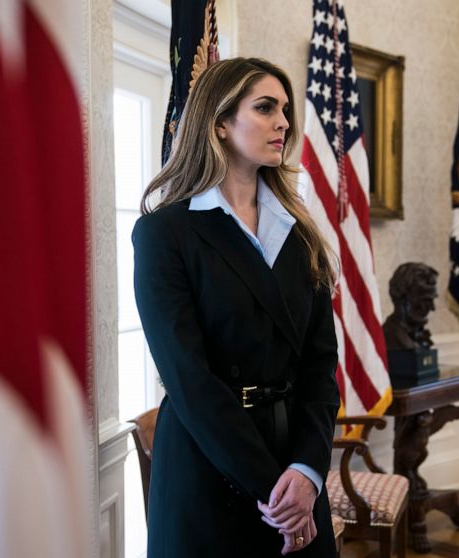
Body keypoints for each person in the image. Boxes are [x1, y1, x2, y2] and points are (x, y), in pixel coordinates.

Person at [132, 57, 341, 557]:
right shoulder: (166, 234)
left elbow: (319, 366)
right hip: (209, 471)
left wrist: (308, 473)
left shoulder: (299, 230)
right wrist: (275, 491)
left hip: (296, 470)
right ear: (220, 123)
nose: (284, 123)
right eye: (265, 108)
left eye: (285, 110)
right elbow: (189, 380)